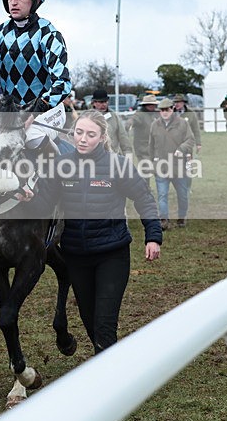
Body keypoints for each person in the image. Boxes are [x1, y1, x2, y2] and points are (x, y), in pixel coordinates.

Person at [22, 110, 161, 355]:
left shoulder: (118, 165)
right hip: (76, 256)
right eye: (79, 132)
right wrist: (25, 197)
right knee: (90, 322)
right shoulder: (60, 166)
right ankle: (108, 362)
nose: (83, 139)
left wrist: (153, 236)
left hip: (112, 255)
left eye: (90, 134)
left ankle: (109, 375)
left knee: (104, 325)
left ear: (102, 137)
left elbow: (144, 199)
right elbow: (43, 206)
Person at [149, 98, 195, 229]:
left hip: (179, 167)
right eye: (162, 110)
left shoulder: (183, 123)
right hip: (161, 167)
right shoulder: (155, 125)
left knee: (183, 195)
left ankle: (182, 217)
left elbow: (190, 140)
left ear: (172, 109)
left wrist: (181, 149)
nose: (164, 112)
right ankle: (164, 220)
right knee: (162, 195)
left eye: (167, 109)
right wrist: (152, 163)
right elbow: (151, 146)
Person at [90, 89, 133, 156]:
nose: (104, 104)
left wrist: (127, 154)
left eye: (106, 101)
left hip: (113, 156)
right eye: (101, 102)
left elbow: (123, 137)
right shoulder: (87, 117)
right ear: (94, 103)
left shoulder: (114, 116)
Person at [127, 95, 158, 161]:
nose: (151, 106)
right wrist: (130, 124)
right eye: (149, 104)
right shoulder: (139, 114)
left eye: (153, 104)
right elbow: (133, 120)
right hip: (143, 149)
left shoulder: (156, 114)